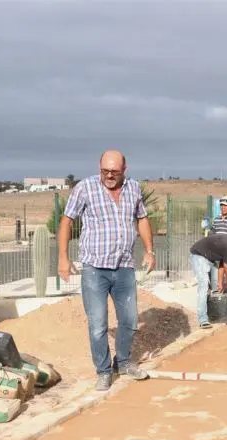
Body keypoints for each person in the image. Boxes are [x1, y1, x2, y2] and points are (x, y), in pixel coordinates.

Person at [57, 149, 155, 391]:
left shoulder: (133, 188)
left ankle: (122, 363)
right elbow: (67, 220)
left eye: (114, 171)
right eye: (104, 171)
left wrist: (149, 250)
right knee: (98, 324)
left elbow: (141, 218)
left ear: (125, 169)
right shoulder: (85, 188)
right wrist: (63, 257)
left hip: (124, 267)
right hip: (94, 269)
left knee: (130, 321)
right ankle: (103, 371)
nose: (109, 175)